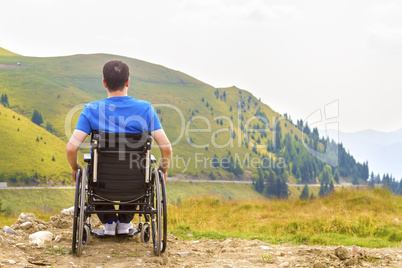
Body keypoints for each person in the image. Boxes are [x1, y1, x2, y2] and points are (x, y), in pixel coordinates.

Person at [66, 60, 172, 235]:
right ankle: (124, 223)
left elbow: (71, 149)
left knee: (95, 175)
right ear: (128, 81)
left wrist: (74, 168)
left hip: (101, 180)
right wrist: (164, 169)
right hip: (136, 181)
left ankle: (109, 223)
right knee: (136, 171)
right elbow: (166, 147)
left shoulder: (91, 109)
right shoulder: (145, 109)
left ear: (104, 83)